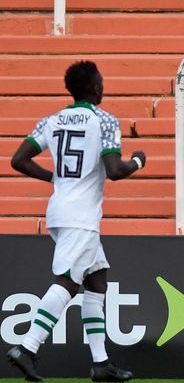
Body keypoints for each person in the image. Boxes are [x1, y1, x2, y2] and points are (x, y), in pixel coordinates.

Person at [6, 60, 146, 382]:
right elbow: (115, 170)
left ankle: (101, 363)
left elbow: (18, 160)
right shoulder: (105, 120)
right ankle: (27, 348)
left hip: (60, 209)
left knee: (97, 280)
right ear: (96, 87)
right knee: (69, 281)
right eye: (101, 81)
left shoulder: (51, 121)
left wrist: (54, 178)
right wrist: (138, 160)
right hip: (81, 216)